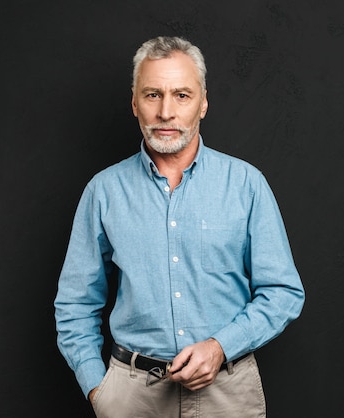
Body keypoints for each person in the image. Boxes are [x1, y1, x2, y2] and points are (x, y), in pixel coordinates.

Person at [54, 35, 305, 417]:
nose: (166, 112)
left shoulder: (246, 184)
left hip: (228, 393)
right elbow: (75, 304)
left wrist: (220, 346)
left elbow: (283, 292)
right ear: (134, 102)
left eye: (182, 95)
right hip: (131, 398)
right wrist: (98, 389)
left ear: (203, 103)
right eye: (153, 94)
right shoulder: (103, 191)